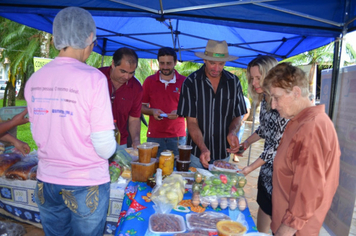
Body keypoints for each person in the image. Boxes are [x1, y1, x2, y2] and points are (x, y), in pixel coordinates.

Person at [24, 7, 116, 236]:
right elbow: (105, 148)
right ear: (88, 38)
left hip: (47, 180)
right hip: (85, 182)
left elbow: (40, 131)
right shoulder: (93, 79)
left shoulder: (35, 79)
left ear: (58, 38)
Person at [263, 63, 340, 236]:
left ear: (296, 92)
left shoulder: (311, 128)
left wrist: (287, 229)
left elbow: (308, 190)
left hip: (294, 231)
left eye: (276, 97)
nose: (273, 105)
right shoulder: (300, 122)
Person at [238, 56, 289, 233]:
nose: (254, 83)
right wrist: (244, 144)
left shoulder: (282, 103)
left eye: (258, 77)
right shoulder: (265, 100)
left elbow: (275, 147)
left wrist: (249, 168)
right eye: (252, 78)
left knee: (280, 222)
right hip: (267, 171)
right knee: (264, 209)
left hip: (282, 176)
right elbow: (264, 129)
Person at [177, 39, 247, 169]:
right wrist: (203, 148)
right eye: (212, 63)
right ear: (204, 60)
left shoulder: (233, 82)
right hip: (197, 155)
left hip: (223, 153)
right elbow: (191, 122)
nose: (216, 68)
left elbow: (238, 115)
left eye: (221, 64)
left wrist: (232, 132)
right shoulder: (190, 83)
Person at [141, 47, 186, 156]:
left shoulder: (185, 82)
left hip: (177, 136)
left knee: (177, 170)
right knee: (153, 168)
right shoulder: (149, 81)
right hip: (154, 135)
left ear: (175, 62)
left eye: (169, 63)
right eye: (162, 63)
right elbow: (141, 107)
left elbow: (192, 109)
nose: (165, 67)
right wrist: (153, 111)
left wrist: (179, 112)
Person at [99, 48, 142, 149]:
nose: (127, 77)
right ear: (113, 64)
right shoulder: (97, 77)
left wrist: (136, 140)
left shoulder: (136, 88)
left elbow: (134, 118)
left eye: (131, 73)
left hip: (120, 141)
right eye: (123, 71)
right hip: (95, 139)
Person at [233, 95, 251, 162]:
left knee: (238, 139)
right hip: (231, 123)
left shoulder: (245, 99)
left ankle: (235, 155)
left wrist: (241, 121)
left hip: (240, 123)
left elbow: (247, 112)